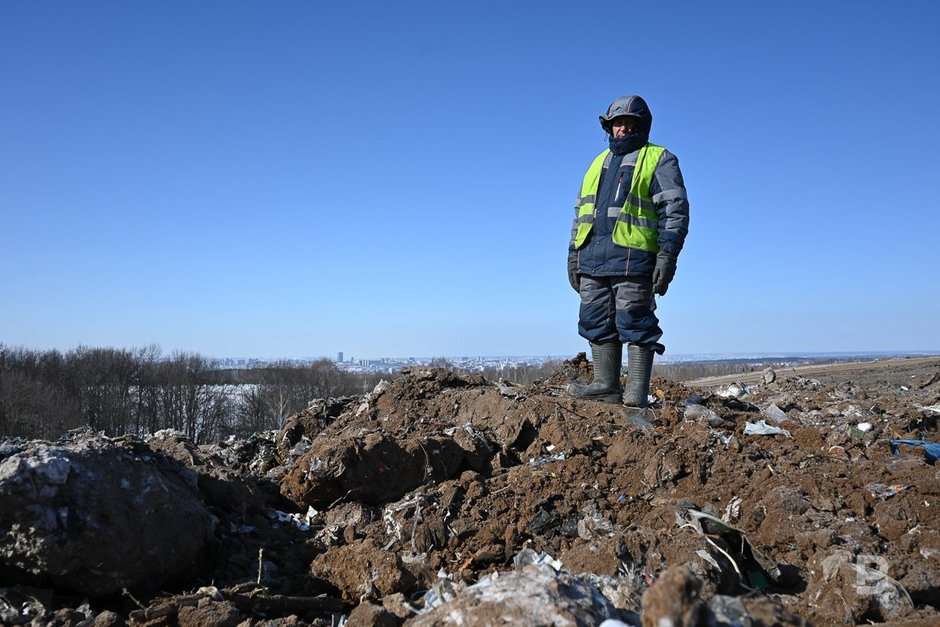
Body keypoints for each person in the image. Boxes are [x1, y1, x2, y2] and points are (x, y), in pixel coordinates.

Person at [567, 95, 689, 406]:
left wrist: (667, 256)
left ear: (641, 125)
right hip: (592, 259)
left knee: (635, 321)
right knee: (594, 321)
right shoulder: (597, 163)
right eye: (616, 123)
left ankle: (636, 394)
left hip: (634, 260)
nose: (621, 129)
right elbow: (581, 212)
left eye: (628, 123)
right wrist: (573, 254)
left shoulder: (659, 159)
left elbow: (674, 211)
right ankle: (605, 385)